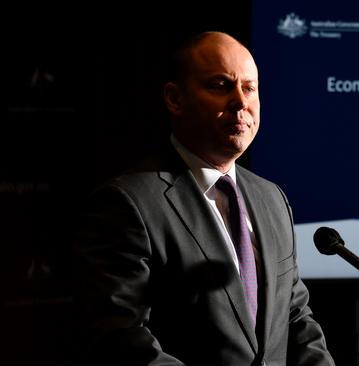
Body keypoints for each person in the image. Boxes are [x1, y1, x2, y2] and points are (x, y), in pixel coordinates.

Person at [74, 31, 335, 366]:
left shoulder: (272, 199)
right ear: (174, 99)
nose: (241, 102)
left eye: (249, 87)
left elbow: (296, 317)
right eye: (221, 85)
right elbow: (121, 335)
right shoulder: (127, 204)